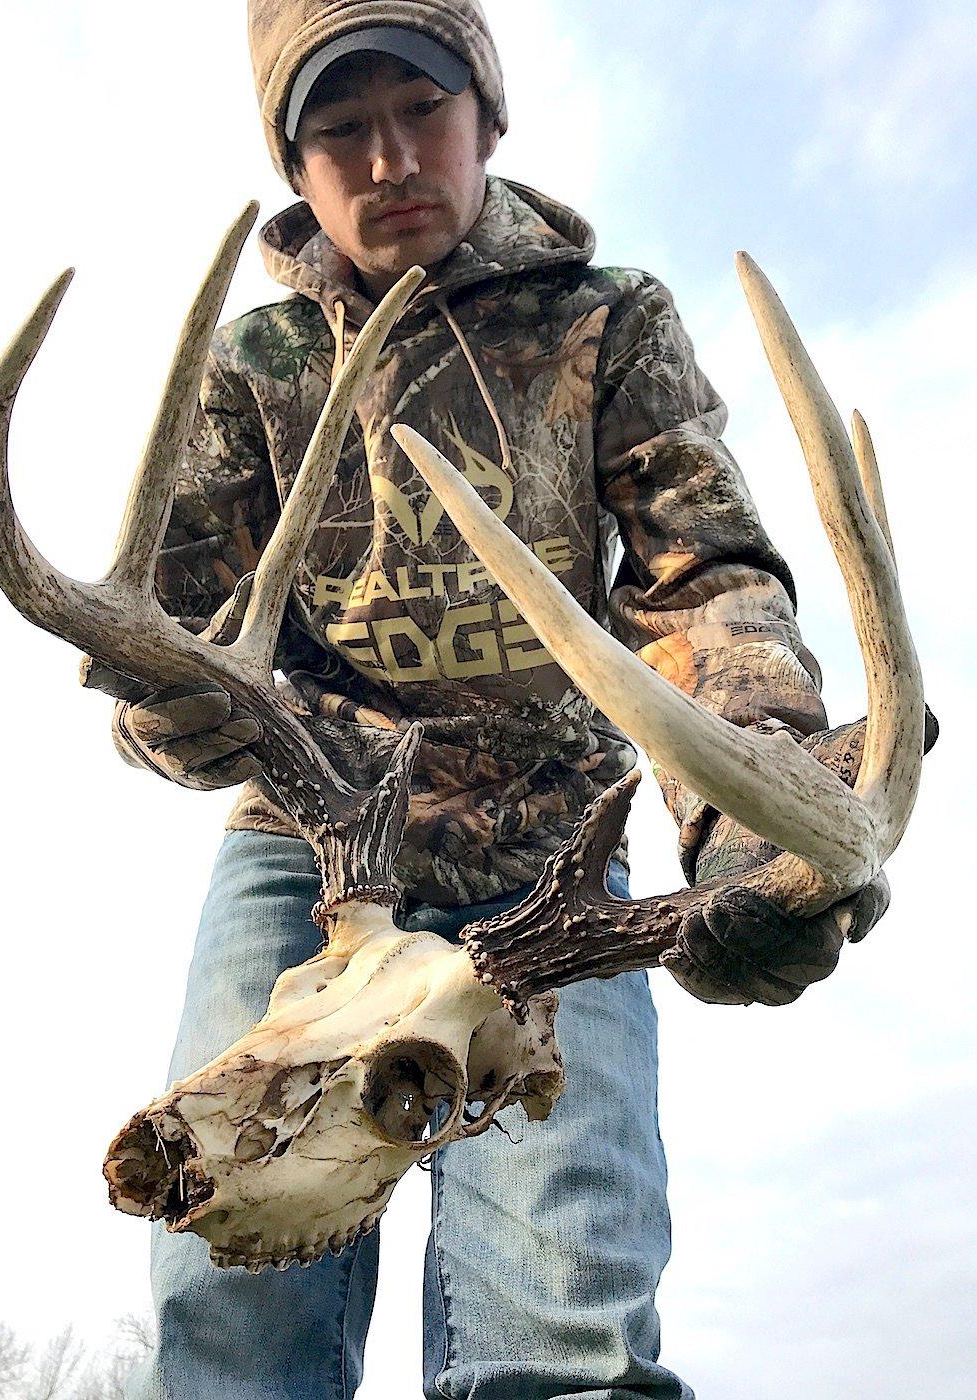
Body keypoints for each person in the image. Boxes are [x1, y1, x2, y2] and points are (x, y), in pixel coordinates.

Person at [115, 2, 888, 1395]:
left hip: (552, 868)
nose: (388, 157)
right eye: (338, 130)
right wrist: (173, 706)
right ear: (296, 167)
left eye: (421, 109)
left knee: (557, 1315)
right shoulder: (252, 367)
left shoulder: (604, 320)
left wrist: (753, 813)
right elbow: (166, 642)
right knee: (225, 1303)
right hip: (306, 861)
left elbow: (698, 584)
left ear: (487, 118)